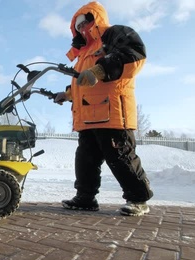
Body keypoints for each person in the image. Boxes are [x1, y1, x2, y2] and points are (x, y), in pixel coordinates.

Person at [54, 1, 153, 216]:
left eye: (85, 23)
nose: (82, 29)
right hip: (88, 116)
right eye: (78, 26)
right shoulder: (83, 53)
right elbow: (81, 82)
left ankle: (138, 199)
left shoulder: (114, 34)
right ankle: (85, 198)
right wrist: (67, 94)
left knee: (120, 156)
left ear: (95, 19)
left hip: (113, 112)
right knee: (85, 159)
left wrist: (99, 70)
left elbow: (134, 55)